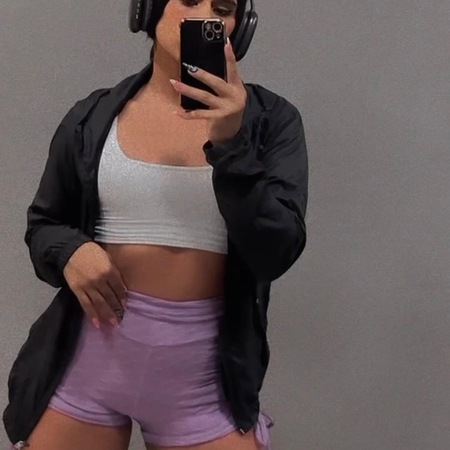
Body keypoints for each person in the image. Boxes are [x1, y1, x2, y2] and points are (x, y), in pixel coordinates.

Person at [3, 0, 308, 449]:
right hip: (86, 371)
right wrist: (69, 252)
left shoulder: (271, 123)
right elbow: (44, 224)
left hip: (203, 389)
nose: (203, 15)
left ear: (239, 29)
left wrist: (231, 145)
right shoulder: (92, 117)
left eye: (222, 7)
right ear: (149, 9)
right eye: (189, 0)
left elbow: (276, 251)